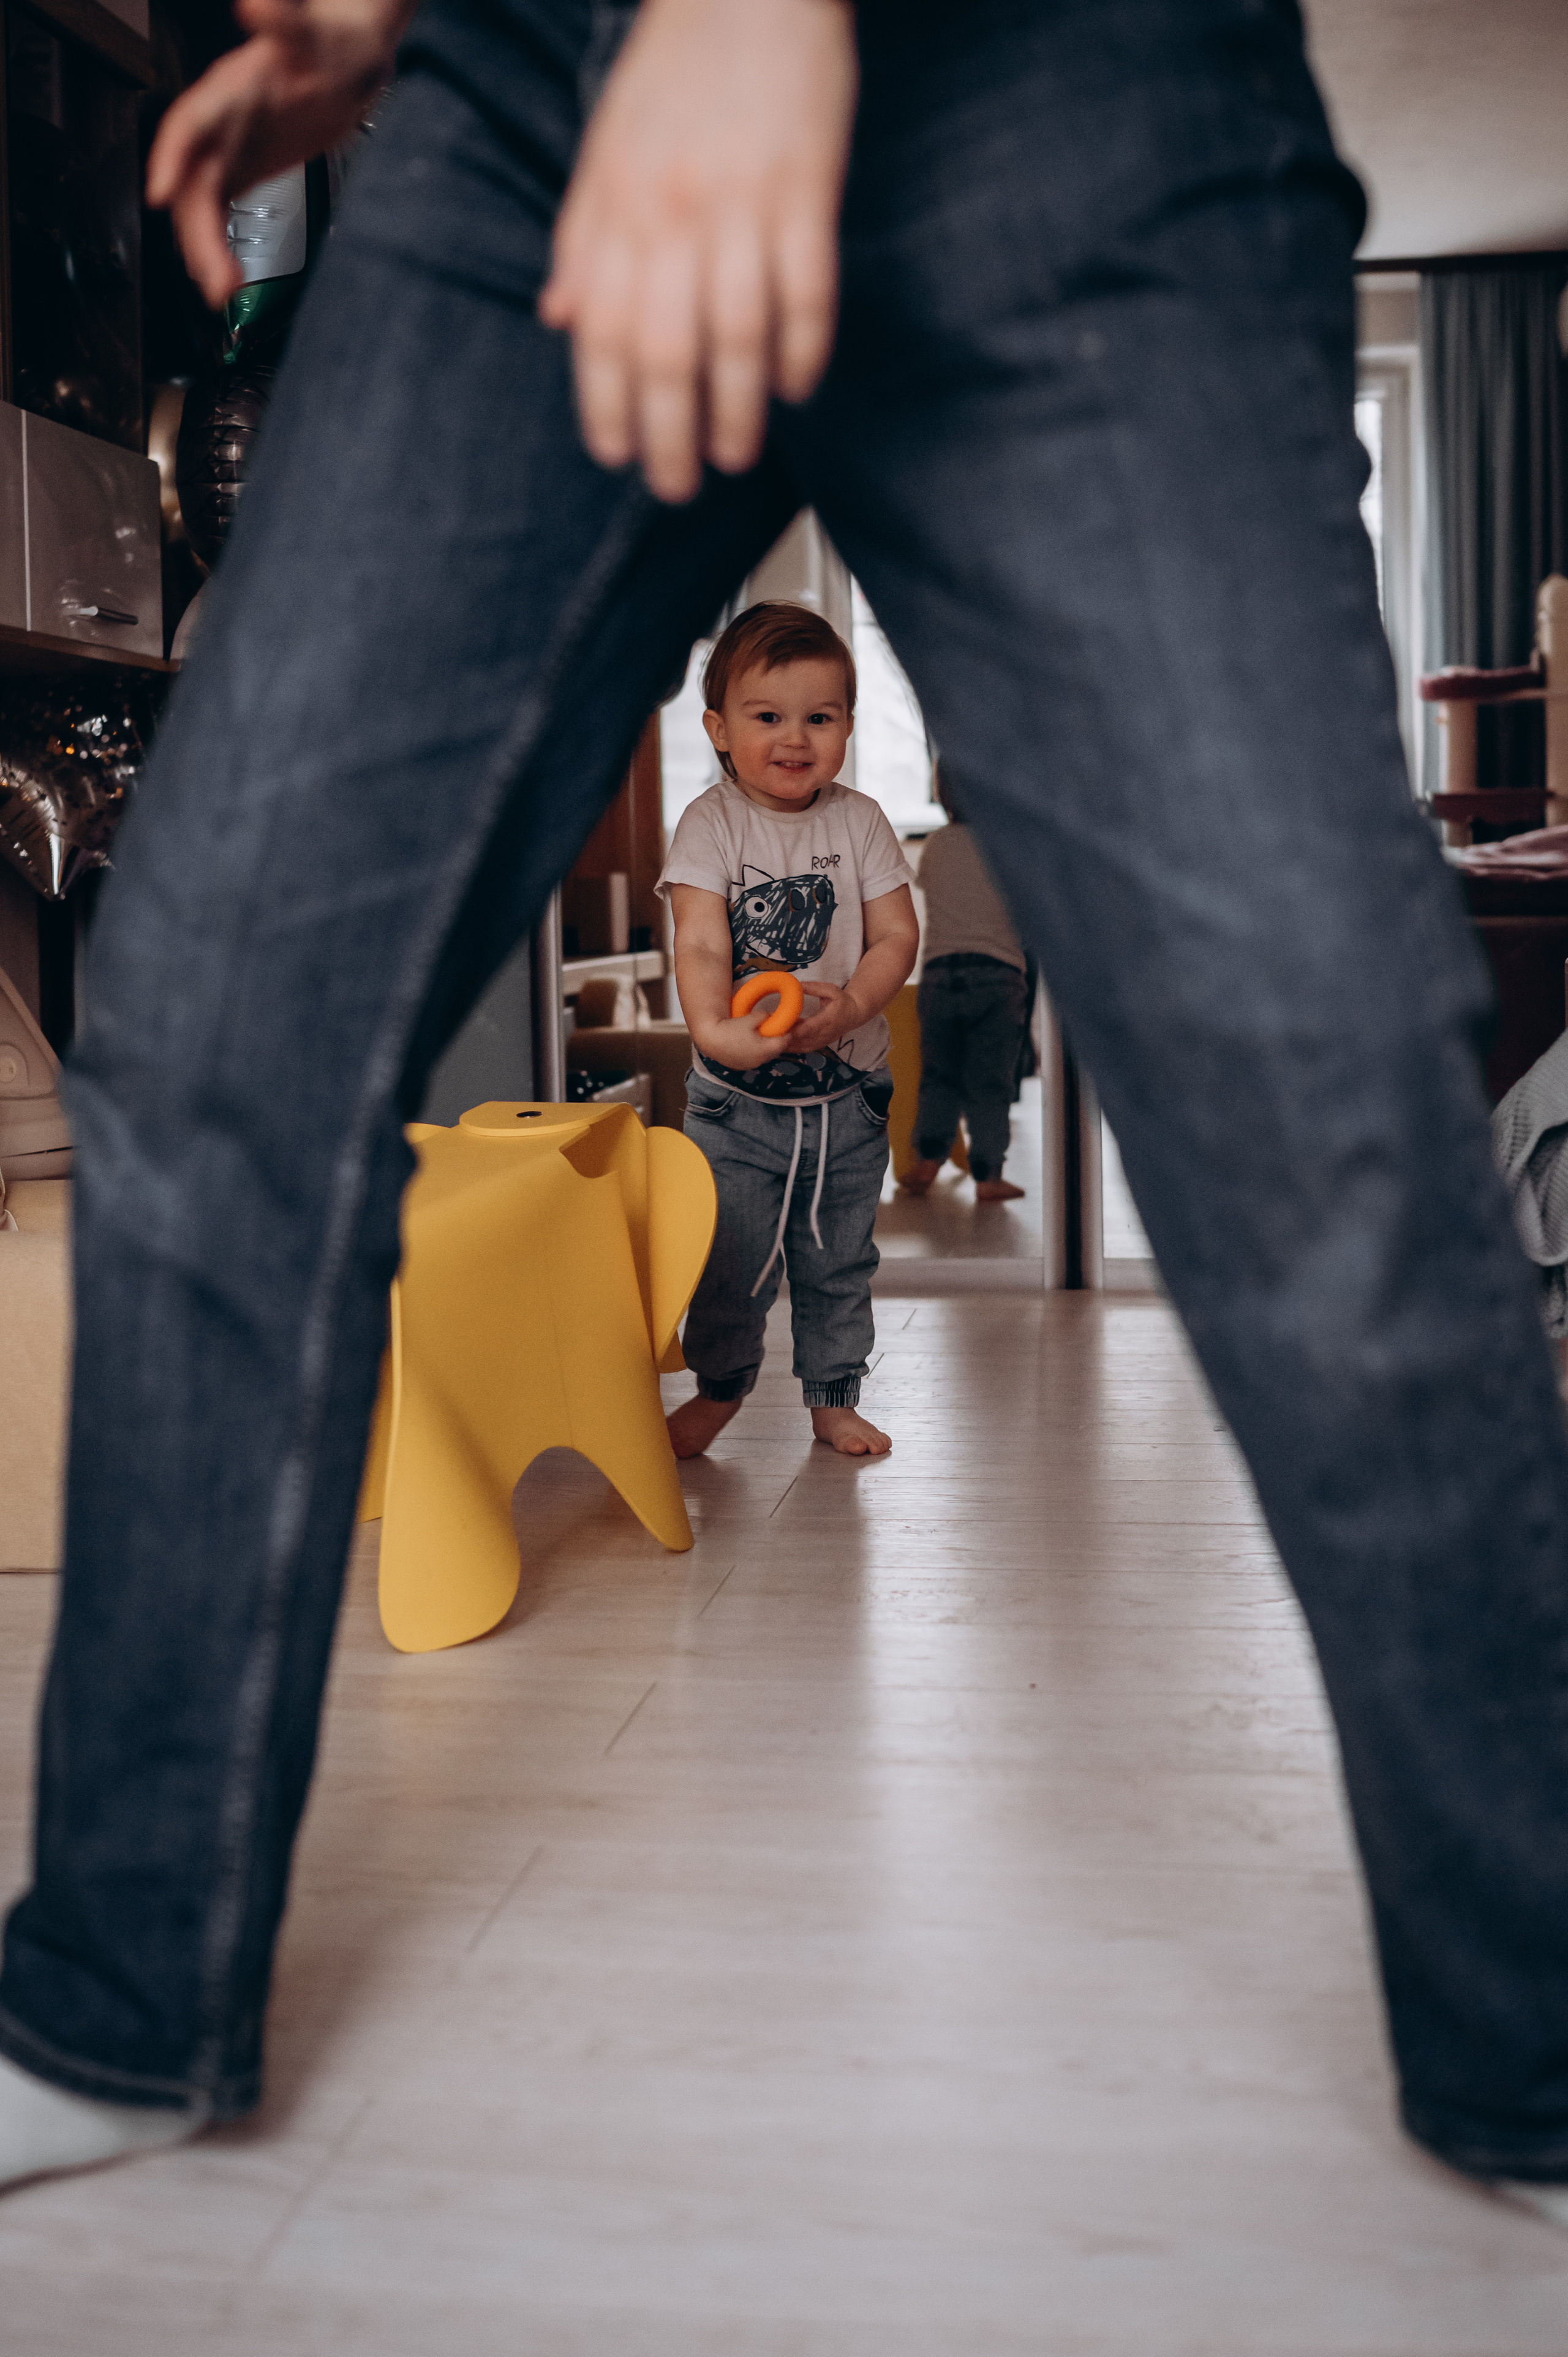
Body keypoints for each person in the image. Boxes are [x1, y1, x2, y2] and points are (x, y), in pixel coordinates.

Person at [4, 0, 1568, 2230]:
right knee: (216, 1007)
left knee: (1315, 1082)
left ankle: (1537, 2042)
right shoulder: (746, 826)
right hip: (531, 94)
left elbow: (897, 958)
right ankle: (113, 1989)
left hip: (1074, 77)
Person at [658, 601, 916, 1462]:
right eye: (767, 716)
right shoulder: (712, 824)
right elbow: (698, 939)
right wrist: (714, 1029)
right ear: (720, 728)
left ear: (847, 724)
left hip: (847, 1095)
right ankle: (719, 1388)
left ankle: (834, 1397)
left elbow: (896, 938)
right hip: (738, 1102)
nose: (794, 737)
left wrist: (847, 1008)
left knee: (838, 1257)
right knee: (730, 1261)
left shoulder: (862, 821)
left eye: (820, 717)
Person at [902, 765, 1030, 1204]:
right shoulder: (1008, 846)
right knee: (989, 1082)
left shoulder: (936, 846)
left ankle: (928, 1159)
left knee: (939, 1075)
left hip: (939, 975)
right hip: (997, 976)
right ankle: (989, 1174)